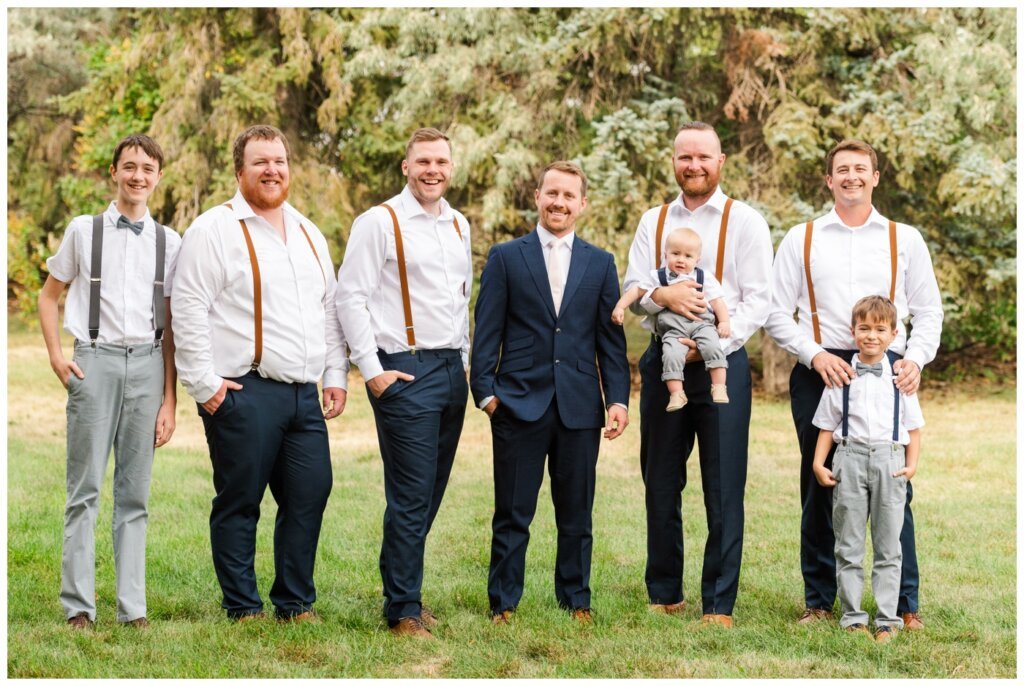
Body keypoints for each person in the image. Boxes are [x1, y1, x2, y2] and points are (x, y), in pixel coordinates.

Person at [764, 139, 943, 630]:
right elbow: (777, 312)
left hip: (890, 368)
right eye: (841, 170)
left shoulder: (904, 238)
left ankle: (905, 604)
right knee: (821, 482)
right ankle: (820, 601)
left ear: (875, 177)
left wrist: (917, 361)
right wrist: (815, 354)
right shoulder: (801, 238)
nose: (851, 177)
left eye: (860, 169)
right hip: (821, 366)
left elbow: (928, 311)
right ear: (828, 179)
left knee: (896, 486)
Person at [172, 124, 348, 623]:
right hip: (243, 391)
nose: (272, 170)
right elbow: (187, 309)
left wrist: (335, 373)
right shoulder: (214, 229)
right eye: (260, 162)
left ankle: (294, 602)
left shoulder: (309, 232)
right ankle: (243, 605)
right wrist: (205, 387)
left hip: (303, 396)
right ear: (239, 170)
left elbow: (329, 310)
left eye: (280, 161)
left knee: (310, 493)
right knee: (240, 501)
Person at [623, 121, 773, 627]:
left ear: (720, 161)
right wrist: (660, 297)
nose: (694, 165)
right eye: (685, 157)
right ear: (674, 161)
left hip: (720, 365)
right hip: (663, 358)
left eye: (703, 157)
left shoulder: (745, 221)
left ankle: (718, 603)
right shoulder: (654, 220)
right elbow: (636, 287)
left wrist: (713, 346)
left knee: (723, 484)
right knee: (660, 480)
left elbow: (758, 301)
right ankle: (665, 591)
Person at [471, 161, 630, 625]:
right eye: (551, 193)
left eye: (569, 196)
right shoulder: (506, 256)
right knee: (513, 513)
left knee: (577, 515)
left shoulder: (600, 263)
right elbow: (487, 330)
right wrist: (486, 394)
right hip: (518, 404)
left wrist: (617, 399)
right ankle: (504, 602)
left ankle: (576, 600)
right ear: (538, 196)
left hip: (580, 407)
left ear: (582, 204)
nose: (559, 202)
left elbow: (610, 343)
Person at [38, 133, 180, 629]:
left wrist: (170, 400)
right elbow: (49, 295)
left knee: (135, 493)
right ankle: (79, 606)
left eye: (147, 168)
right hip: (93, 361)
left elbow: (172, 329)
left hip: (147, 366)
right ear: (113, 173)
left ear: (158, 177)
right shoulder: (83, 230)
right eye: (129, 166)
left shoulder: (171, 242)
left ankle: (132, 609)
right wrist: (59, 357)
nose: (138, 175)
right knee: (84, 491)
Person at [336, 127, 471, 639]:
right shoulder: (379, 222)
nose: (433, 170)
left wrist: (462, 361)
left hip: (449, 371)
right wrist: (371, 371)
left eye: (441, 161)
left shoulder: (459, 224)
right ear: (406, 166)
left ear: (450, 168)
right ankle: (403, 609)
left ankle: (402, 586)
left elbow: (460, 299)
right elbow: (350, 297)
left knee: (431, 491)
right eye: (424, 162)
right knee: (411, 493)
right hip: (403, 368)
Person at [811, 296, 923, 643]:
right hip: (849, 458)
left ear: (893, 335)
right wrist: (818, 462)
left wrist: (911, 464)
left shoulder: (900, 378)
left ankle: (888, 620)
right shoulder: (842, 378)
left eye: (879, 329)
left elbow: (914, 427)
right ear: (853, 332)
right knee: (849, 542)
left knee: (889, 543)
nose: (871, 336)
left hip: (890, 460)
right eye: (864, 329)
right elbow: (827, 425)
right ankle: (853, 616)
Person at [613, 227, 730, 411]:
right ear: (665, 254)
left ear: (697, 260)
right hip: (673, 330)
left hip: (701, 325)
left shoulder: (703, 277)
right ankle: (676, 394)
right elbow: (636, 290)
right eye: (675, 253)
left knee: (712, 346)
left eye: (688, 256)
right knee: (670, 355)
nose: (681, 260)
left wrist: (724, 322)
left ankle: (719, 386)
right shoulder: (658, 277)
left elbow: (717, 302)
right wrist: (620, 306)